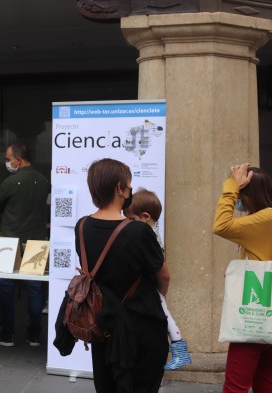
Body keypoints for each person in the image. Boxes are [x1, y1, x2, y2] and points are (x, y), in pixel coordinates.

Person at [77, 158, 169, 392]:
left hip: (103, 323)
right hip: (141, 325)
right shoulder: (138, 231)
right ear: (119, 188)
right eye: (128, 186)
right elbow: (164, 276)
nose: (130, 190)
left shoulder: (82, 226)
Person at [213, 163, 272, 393]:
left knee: (235, 387)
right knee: (265, 384)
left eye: (240, 195)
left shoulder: (267, 218)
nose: (239, 200)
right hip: (268, 312)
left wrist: (230, 187)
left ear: (249, 194)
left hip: (252, 313)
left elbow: (221, 225)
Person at [0, 142, 49, 347]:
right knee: (35, 288)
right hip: (37, 241)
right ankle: (34, 336)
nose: (7, 162)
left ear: (18, 159)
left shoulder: (11, 182)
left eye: (8, 158)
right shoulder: (43, 181)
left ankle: (7, 334)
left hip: (11, 240)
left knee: (5, 286)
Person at [123, 188, 192, 371]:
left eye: (132, 219)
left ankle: (180, 350)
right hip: (151, 284)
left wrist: (160, 291)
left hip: (152, 285)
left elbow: (161, 270)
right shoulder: (153, 232)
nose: (129, 223)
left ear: (145, 216)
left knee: (165, 314)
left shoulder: (149, 235)